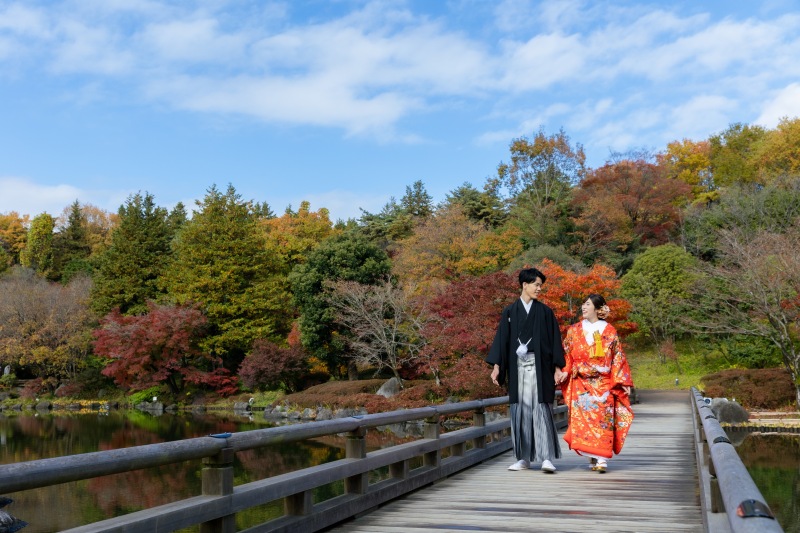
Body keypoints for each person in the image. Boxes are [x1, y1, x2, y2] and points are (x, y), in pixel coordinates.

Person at [486, 267, 567, 473]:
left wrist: (558, 367)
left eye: (541, 286)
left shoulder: (546, 312)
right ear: (525, 285)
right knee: (520, 410)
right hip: (518, 367)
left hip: (540, 368)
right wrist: (497, 367)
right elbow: (502, 341)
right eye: (536, 285)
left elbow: (555, 341)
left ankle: (546, 457)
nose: (539, 289)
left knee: (541, 409)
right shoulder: (510, 312)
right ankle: (523, 458)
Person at [558, 293, 634, 473]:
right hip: (581, 383)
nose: (584, 307)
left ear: (598, 309)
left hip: (603, 383)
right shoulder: (573, 330)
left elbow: (617, 357)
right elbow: (567, 355)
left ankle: (602, 459)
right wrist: (564, 372)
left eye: (588, 304)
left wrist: (622, 381)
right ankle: (592, 455)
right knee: (584, 422)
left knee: (602, 421)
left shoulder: (609, 330)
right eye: (583, 304)